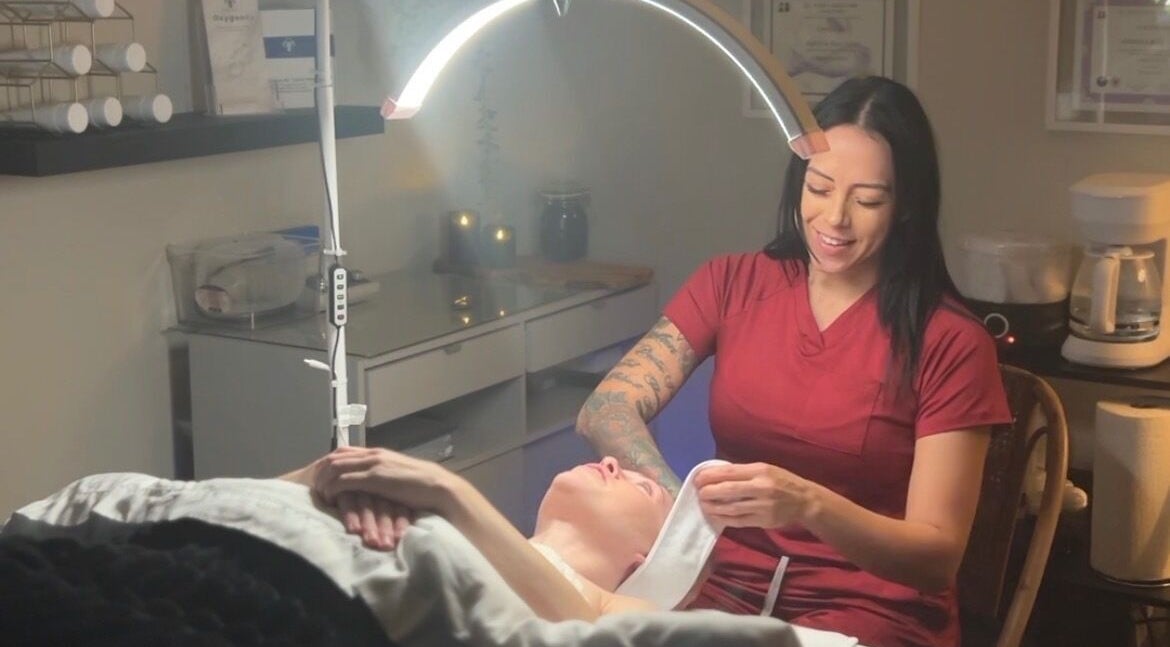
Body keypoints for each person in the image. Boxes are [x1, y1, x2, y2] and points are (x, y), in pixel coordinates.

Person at [574, 75, 1011, 647]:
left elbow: (935, 558)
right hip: (719, 587)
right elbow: (606, 407)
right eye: (820, 187)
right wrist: (684, 521)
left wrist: (807, 503)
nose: (835, 219)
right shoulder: (732, 283)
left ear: (906, 206)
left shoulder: (949, 342)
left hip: (871, 609)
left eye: (868, 200)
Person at [283, 445, 677, 621]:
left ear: (641, 560)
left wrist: (452, 492)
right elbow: (228, 505)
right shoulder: (458, 527)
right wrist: (325, 477)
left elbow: (585, 639)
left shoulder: (619, 610)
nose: (610, 461)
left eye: (643, 488)